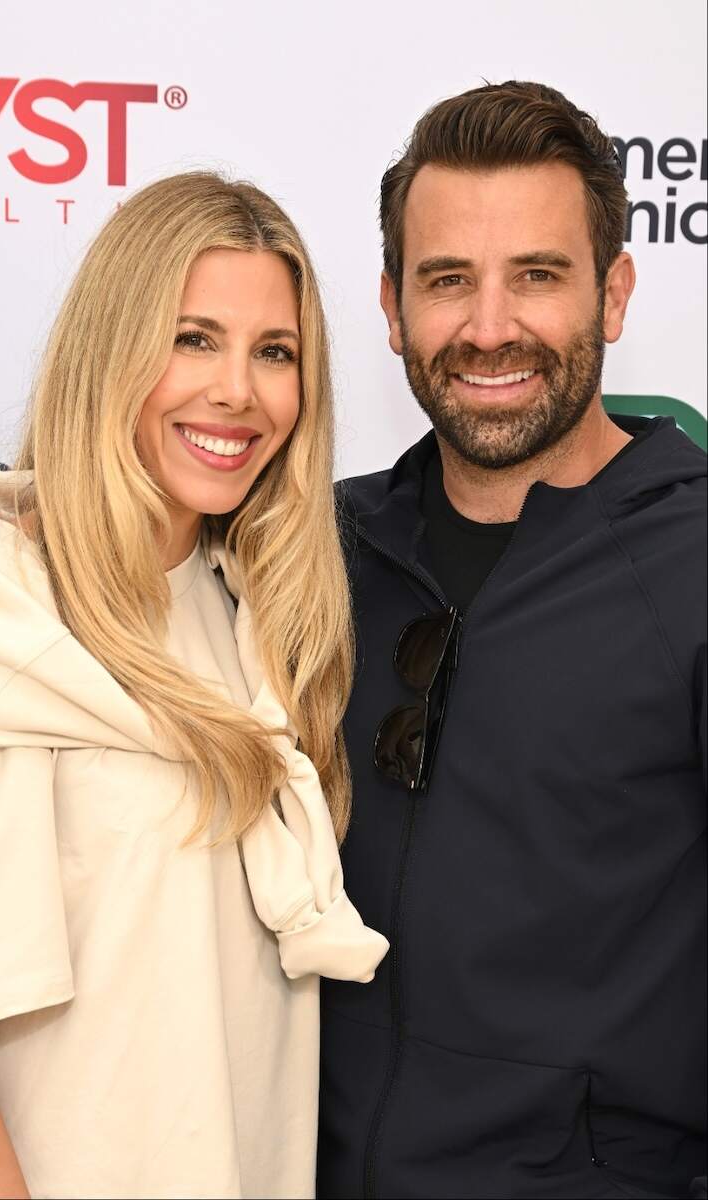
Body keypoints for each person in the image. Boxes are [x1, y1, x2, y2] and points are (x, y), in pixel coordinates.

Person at [0, 173, 389, 1199]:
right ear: (113, 348)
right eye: (194, 339)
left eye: (274, 353)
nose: (238, 390)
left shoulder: (257, 621)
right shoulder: (4, 606)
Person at [320, 81, 705, 1200]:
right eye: (448, 282)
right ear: (392, 308)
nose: (490, 329)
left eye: (537, 275)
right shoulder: (309, 554)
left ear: (613, 293)